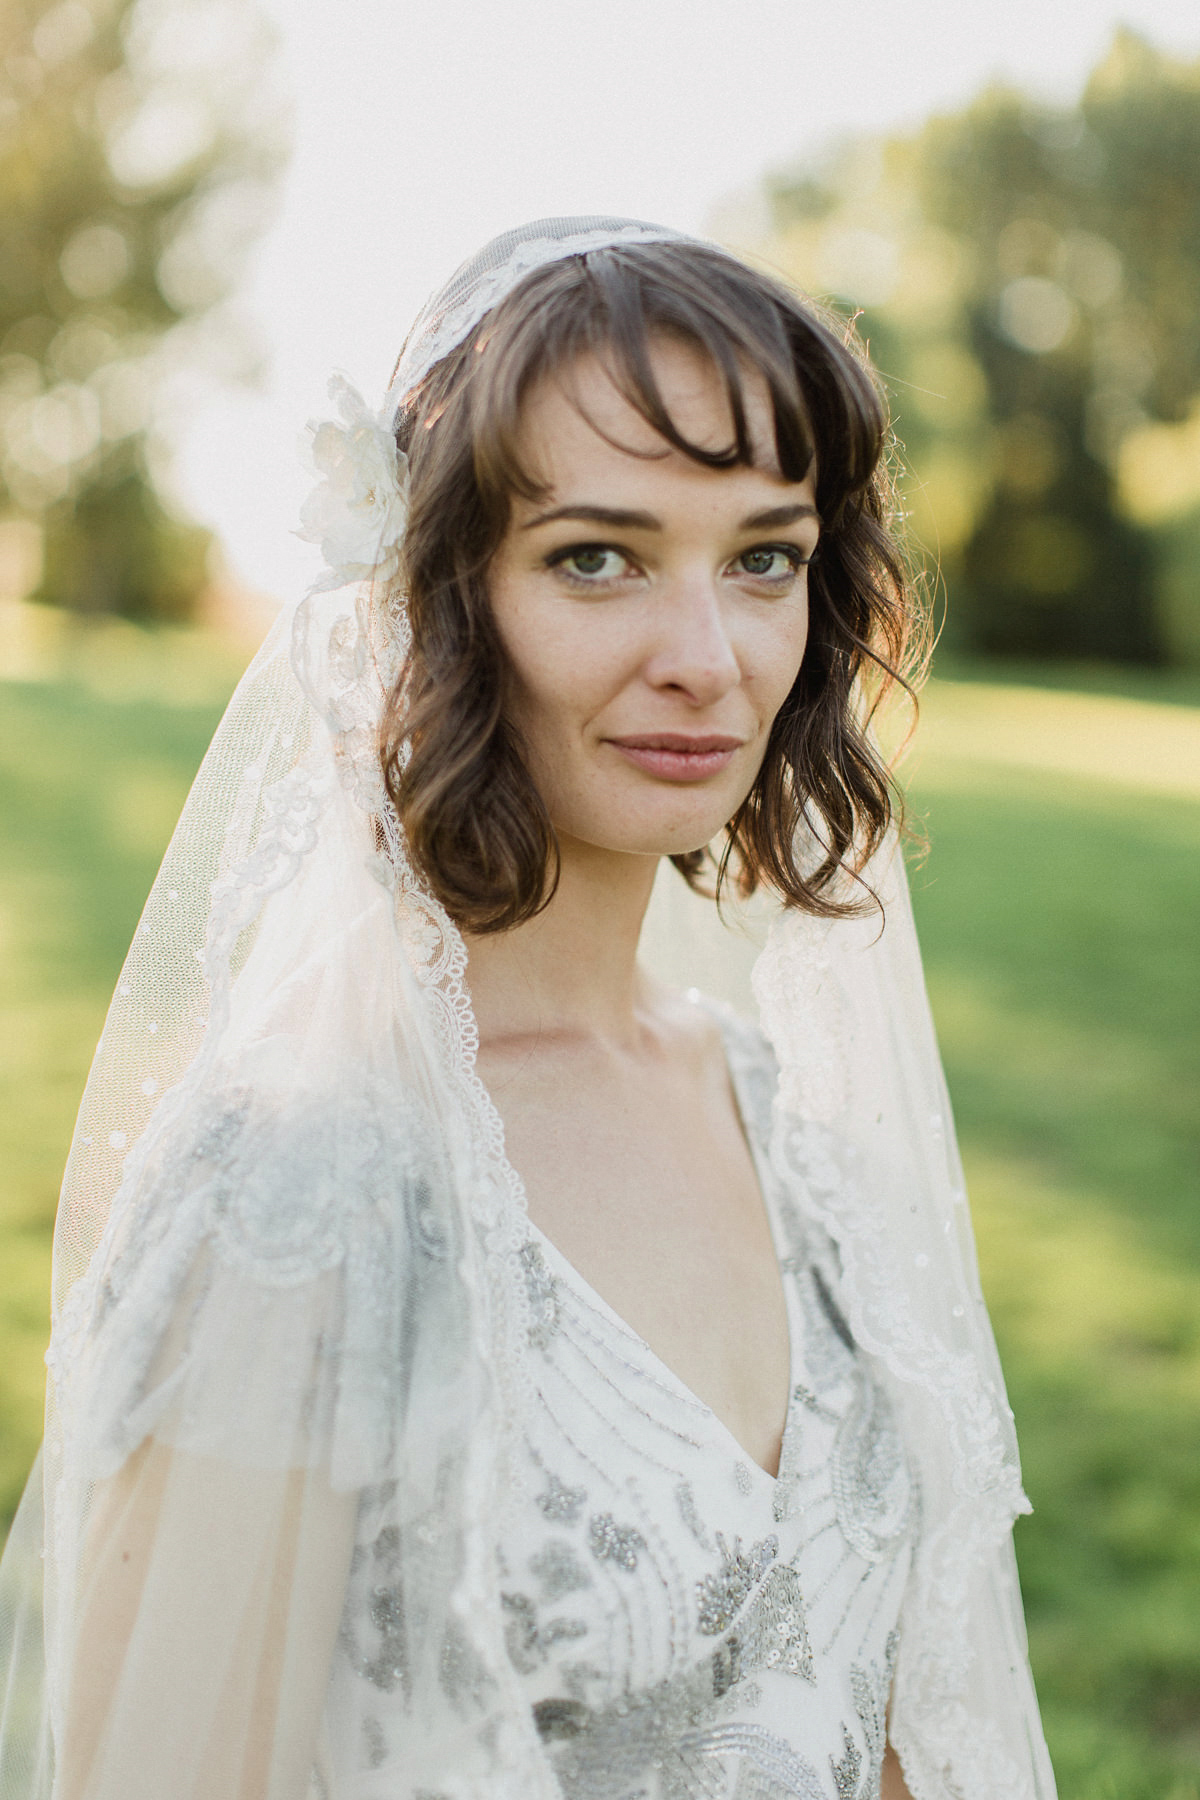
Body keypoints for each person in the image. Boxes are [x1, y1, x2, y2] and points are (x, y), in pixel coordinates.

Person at [0, 217, 1056, 1800]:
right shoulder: (301, 1186)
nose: (709, 658)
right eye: (596, 558)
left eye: (763, 556)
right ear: (437, 600)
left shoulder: (777, 1116)